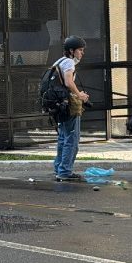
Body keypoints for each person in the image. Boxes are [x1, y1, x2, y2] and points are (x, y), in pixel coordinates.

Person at [52, 36, 89, 182]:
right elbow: (68, 82)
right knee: (72, 139)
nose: (82, 53)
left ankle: (59, 168)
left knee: (63, 138)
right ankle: (65, 171)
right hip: (67, 106)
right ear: (72, 51)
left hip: (58, 105)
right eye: (80, 50)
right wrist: (79, 94)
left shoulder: (58, 61)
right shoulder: (68, 62)